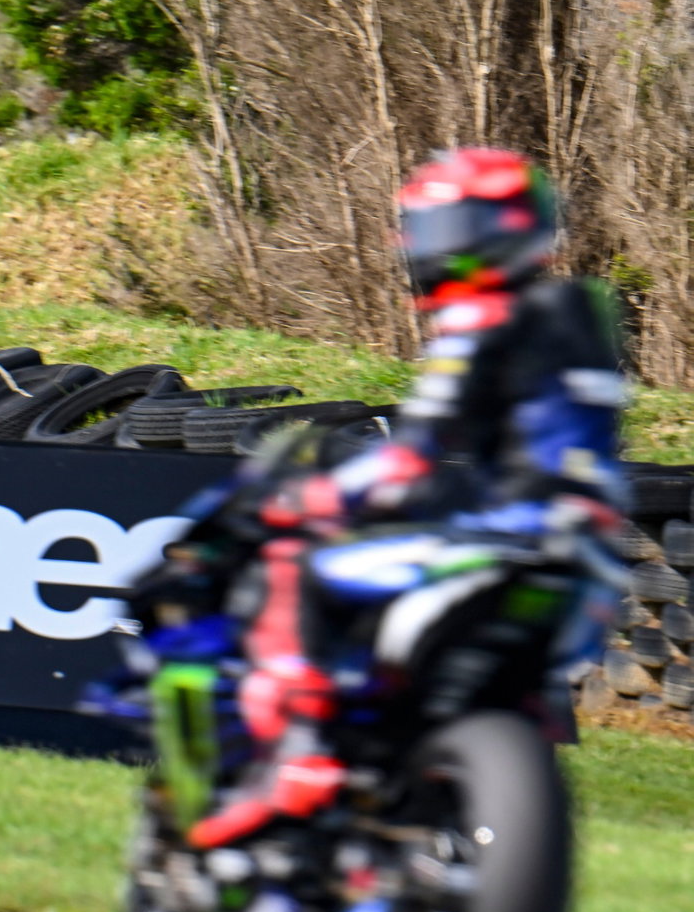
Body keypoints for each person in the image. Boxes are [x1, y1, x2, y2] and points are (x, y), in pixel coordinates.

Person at [167, 146, 629, 850]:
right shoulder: (588, 316)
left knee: (302, 568)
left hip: (508, 533)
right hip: (590, 554)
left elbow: (412, 453)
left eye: (446, 232)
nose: (432, 251)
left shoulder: (483, 319)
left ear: (492, 235)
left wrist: (316, 494)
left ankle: (303, 754)